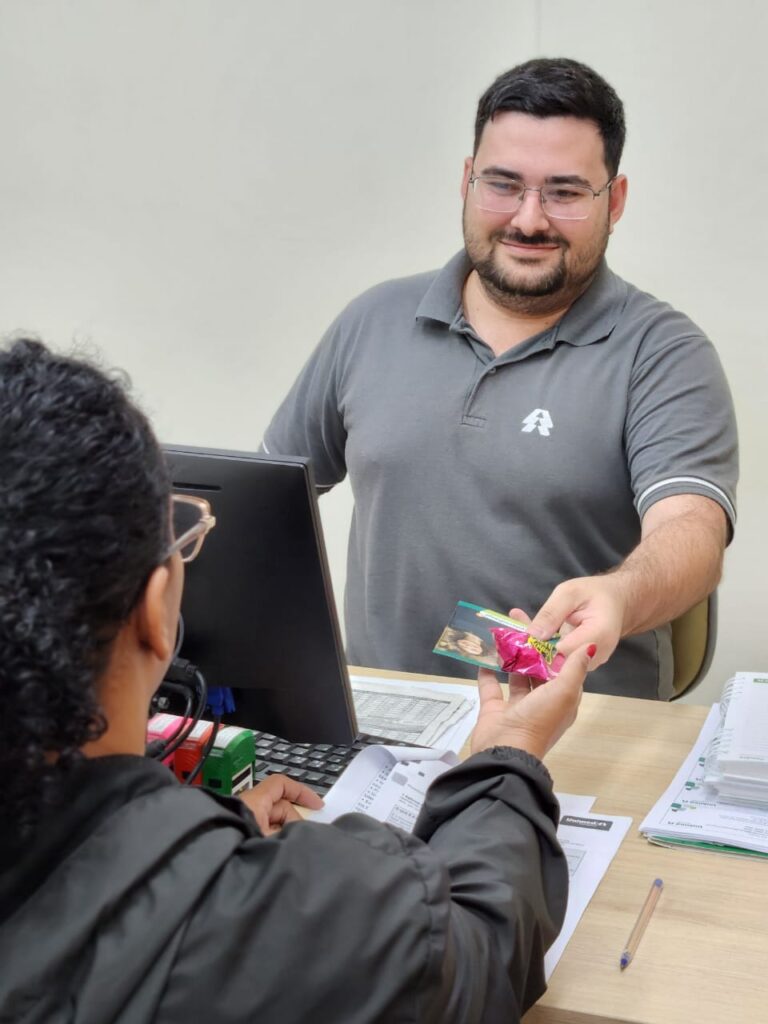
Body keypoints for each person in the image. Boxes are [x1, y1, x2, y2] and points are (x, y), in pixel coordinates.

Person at [0, 338, 595, 1022]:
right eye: (181, 536)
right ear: (154, 612)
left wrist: (195, 855)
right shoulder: (302, 921)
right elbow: (477, 952)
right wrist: (506, 757)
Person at [262, 57, 738, 700]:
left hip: (574, 724)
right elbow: (265, 498)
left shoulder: (662, 352)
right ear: (467, 181)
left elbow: (693, 532)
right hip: (384, 721)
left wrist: (621, 594)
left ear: (614, 201)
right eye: (503, 184)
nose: (529, 219)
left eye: (565, 192)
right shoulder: (373, 321)